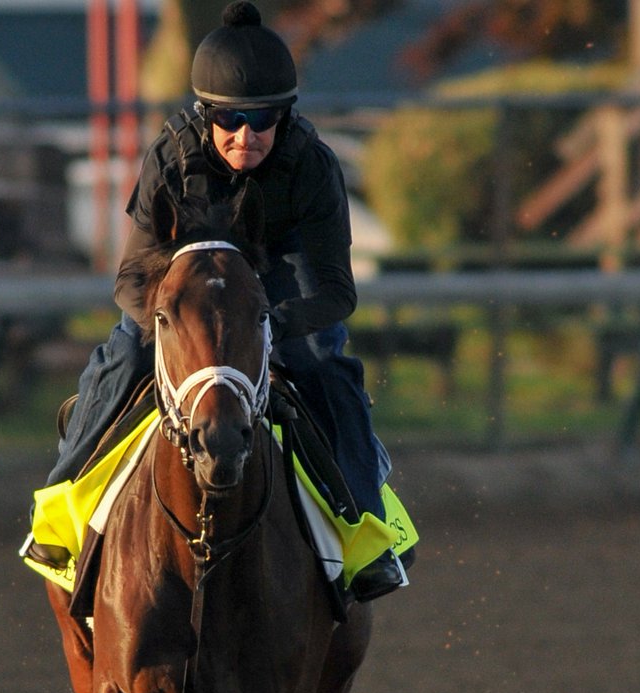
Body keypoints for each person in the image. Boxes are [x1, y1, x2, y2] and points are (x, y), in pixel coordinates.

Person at [26, 0, 406, 601]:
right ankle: (61, 513)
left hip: (277, 286)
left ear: (284, 116)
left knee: (321, 365)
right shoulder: (172, 157)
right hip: (183, 288)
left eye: (261, 120)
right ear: (206, 115)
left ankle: (366, 535)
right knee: (124, 355)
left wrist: (267, 327)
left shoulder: (312, 167)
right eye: (230, 120)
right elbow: (130, 279)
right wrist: (171, 319)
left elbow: (336, 292)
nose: (244, 136)